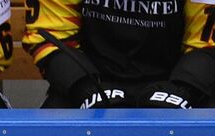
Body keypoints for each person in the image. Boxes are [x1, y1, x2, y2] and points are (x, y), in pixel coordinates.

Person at [23, 0, 214, 109]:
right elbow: (50, 35)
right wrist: (85, 88)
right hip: (90, 80)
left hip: (174, 81)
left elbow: (207, 41)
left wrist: (184, 90)